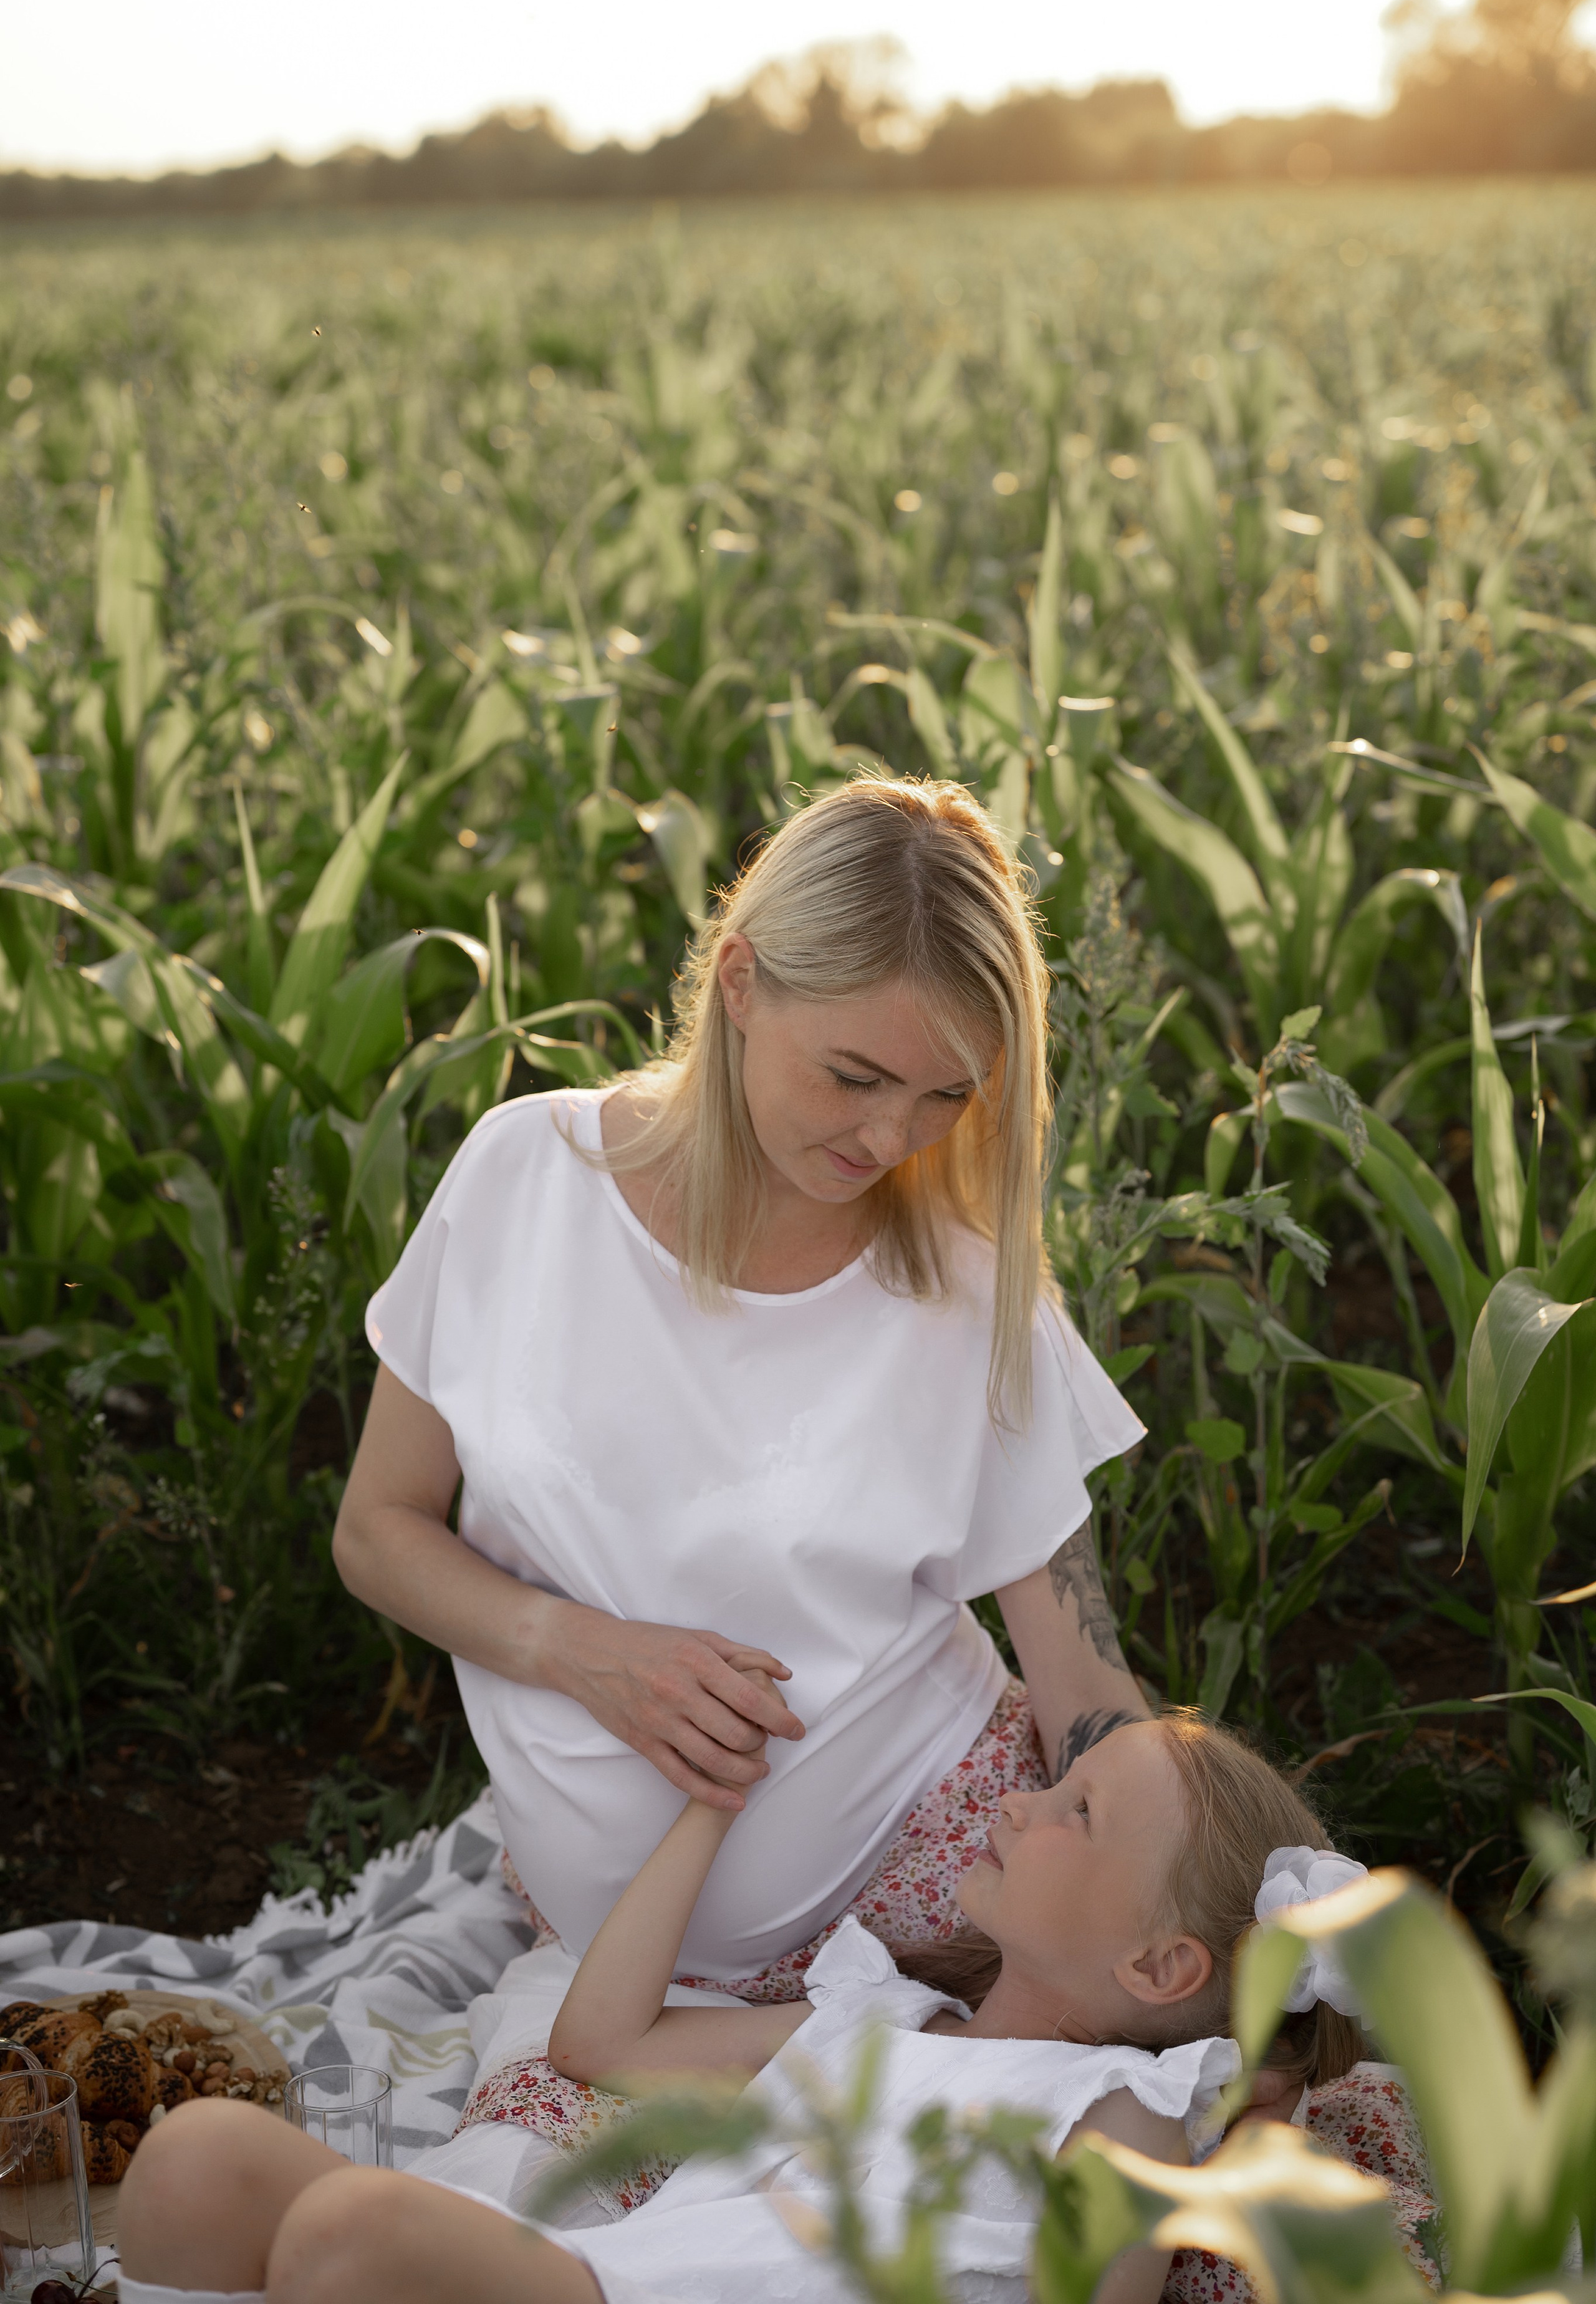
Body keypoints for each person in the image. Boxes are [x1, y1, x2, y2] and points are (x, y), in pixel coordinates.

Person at [330, 775, 1150, 2008]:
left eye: (945, 1093)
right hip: (620, 1967)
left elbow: (1083, 1686)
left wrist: (1214, 1887)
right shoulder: (522, 1178)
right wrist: (581, 1650)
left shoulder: (966, 1292)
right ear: (739, 983)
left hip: (936, 1907)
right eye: (854, 1074)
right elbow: (376, 1528)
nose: (891, 1138)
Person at [114, 1709, 1369, 2304]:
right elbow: (599, 2042)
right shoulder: (874, 2019)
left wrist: (1261, 2103)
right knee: (194, 2156)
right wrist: (710, 1806)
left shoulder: (1120, 2111)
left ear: (1158, 1970)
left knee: (352, 2233)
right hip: (593, 2278)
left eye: (1075, 1811)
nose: (1020, 1802)